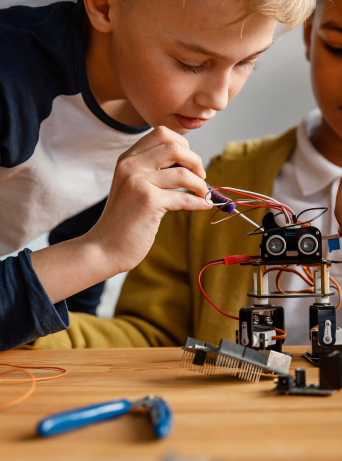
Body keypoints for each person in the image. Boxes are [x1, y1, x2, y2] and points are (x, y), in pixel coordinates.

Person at [24, 0, 342, 350]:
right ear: (310, 36)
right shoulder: (220, 184)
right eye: (340, 47)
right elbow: (152, 342)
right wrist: (25, 324)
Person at [0, 0, 314, 351]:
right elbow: (83, 258)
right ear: (104, 7)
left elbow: (74, 311)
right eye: (191, 63)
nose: (219, 98)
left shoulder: (146, 103)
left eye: (246, 62)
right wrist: (99, 251)